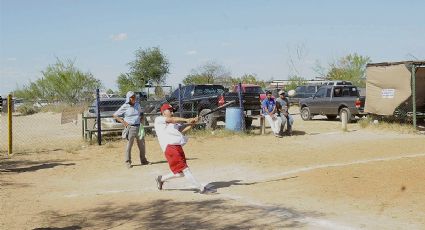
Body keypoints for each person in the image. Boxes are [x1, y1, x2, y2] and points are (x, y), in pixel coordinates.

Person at [154, 103, 212, 194]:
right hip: (170, 147)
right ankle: (201, 188)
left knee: (180, 173)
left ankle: (161, 179)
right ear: (163, 112)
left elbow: (182, 130)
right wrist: (187, 119)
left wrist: (192, 123)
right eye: (170, 110)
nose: (172, 112)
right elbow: (172, 119)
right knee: (185, 169)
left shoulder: (173, 123)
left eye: (172, 110)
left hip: (177, 147)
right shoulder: (159, 119)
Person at [113, 91, 150, 168]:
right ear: (128, 98)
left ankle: (143, 160)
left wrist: (142, 117)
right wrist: (123, 122)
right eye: (132, 97)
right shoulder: (125, 106)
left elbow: (141, 112)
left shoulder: (137, 105)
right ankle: (128, 162)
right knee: (129, 145)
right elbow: (115, 115)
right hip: (130, 128)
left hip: (139, 127)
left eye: (134, 97)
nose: (134, 98)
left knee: (142, 145)